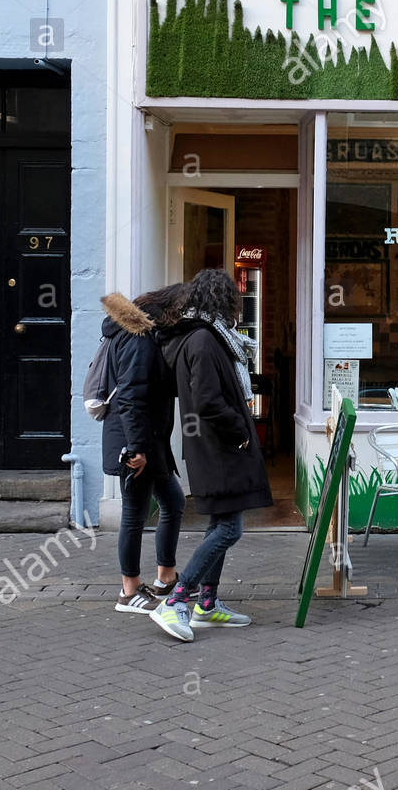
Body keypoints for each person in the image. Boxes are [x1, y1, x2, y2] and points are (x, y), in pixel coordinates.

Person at [150, 268, 273, 641]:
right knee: (229, 529)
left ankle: (206, 603)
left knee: (219, 524)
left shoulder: (204, 337)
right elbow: (207, 399)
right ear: (222, 302)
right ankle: (176, 601)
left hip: (210, 447)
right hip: (218, 448)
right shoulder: (203, 340)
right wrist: (239, 432)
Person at [100, 285, 186, 614]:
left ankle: (165, 578)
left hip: (150, 442)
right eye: (179, 312)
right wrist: (135, 448)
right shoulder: (138, 339)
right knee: (135, 515)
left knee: (174, 502)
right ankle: (129, 591)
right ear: (166, 312)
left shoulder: (144, 337)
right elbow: (131, 396)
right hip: (136, 444)